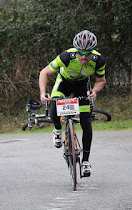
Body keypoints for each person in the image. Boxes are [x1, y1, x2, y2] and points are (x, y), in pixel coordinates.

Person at [39, 30, 106, 176]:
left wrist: (94, 91)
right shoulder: (66, 57)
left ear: (92, 52)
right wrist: (43, 92)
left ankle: (86, 161)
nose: (83, 56)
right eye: (80, 53)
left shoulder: (98, 60)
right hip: (64, 83)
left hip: (82, 86)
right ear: (76, 50)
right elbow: (44, 72)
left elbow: (101, 81)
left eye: (87, 53)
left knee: (86, 121)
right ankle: (57, 130)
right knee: (54, 104)